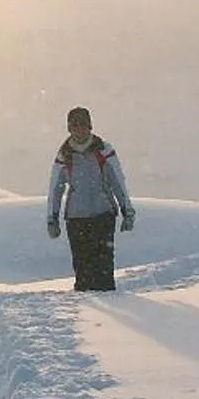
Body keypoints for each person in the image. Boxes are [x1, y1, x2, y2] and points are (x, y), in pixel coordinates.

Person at [46, 105, 135, 292]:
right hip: (76, 218)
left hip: (103, 214)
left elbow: (117, 181)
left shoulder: (103, 151)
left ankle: (109, 301)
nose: (79, 129)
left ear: (90, 126)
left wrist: (127, 210)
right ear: (69, 128)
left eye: (83, 124)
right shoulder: (65, 155)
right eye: (75, 125)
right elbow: (55, 188)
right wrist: (52, 218)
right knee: (82, 268)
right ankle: (85, 306)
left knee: (104, 267)